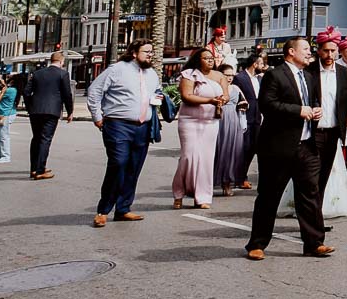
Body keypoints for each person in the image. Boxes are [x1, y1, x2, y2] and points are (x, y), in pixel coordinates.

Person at [244, 36, 335, 259]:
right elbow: (267, 105)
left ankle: (314, 242)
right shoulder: (276, 74)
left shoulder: (309, 76)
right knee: (269, 196)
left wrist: (315, 111)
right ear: (291, 52)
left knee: (310, 195)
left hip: (307, 146)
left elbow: (312, 102)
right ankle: (257, 244)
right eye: (305, 48)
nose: (309, 52)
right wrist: (299, 111)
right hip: (278, 147)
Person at [86, 41, 162, 228]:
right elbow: (94, 91)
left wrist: (158, 98)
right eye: (147, 51)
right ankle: (103, 211)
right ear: (134, 53)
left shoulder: (152, 74)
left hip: (143, 127)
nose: (150, 55)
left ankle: (123, 208)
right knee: (118, 164)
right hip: (118, 125)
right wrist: (97, 116)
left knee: (133, 168)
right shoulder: (117, 69)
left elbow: (155, 94)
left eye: (152, 52)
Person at [307, 29, 347, 220]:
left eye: (333, 51)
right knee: (310, 179)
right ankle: (310, 219)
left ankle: (316, 219)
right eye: (325, 51)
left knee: (322, 178)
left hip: (332, 133)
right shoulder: (308, 72)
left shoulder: (344, 74)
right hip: (311, 134)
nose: (329, 55)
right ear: (319, 51)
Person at [171, 47, 227, 209]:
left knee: (206, 160)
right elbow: (187, 96)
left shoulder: (220, 76)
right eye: (206, 58)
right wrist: (210, 100)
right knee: (188, 156)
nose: (210, 60)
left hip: (211, 122)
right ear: (198, 60)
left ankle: (202, 197)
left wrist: (221, 100)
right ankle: (179, 192)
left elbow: (226, 95)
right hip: (190, 120)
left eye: (212, 58)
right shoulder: (189, 74)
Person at [24, 49, 74, 181]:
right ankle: (40, 170)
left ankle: (34, 168)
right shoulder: (63, 74)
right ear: (62, 61)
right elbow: (67, 94)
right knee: (45, 139)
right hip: (51, 110)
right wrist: (70, 111)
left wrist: (30, 107)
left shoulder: (37, 73)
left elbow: (26, 92)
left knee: (36, 138)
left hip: (35, 110)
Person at [233, 48, 267, 189]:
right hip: (245, 117)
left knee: (254, 148)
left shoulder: (258, 79)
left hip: (258, 118)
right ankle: (240, 178)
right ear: (254, 64)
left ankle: (243, 176)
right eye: (260, 63)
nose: (263, 66)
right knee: (245, 148)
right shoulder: (240, 78)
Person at [214, 63, 249, 197]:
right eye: (226, 75)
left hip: (233, 121)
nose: (229, 78)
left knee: (232, 152)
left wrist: (243, 105)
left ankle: (227, 183)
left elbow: (245, 102)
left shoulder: (236, 88)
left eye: (232, 75)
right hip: (218, 120)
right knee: (217, 151)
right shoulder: (216, 87)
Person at [0, 74, 19, 164]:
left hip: (6, 114)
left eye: (9, 78)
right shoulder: (12, 89)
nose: (7, 79)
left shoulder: (11, 90)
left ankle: (5, 156)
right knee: (0, 135)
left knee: (3, 136)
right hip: (4, 113)